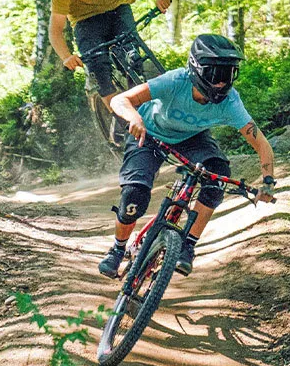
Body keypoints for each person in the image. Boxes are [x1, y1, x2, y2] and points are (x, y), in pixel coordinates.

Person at [100, 34, 276, 278]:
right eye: (216, 75)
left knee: (218, 177)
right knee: (134, 195)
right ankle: (117, 250)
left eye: (228, 75)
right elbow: (121, 100)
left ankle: (188, 245)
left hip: (192, 139)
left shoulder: (230, 102)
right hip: (149, 134)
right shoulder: (174, 81)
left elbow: (262, 144)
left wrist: (268, 182)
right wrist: (135, 118)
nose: (222, 84)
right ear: (197, 69)